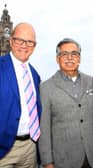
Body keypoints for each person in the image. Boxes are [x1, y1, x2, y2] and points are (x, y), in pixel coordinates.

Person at [38, 38, 93, 168]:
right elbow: (44, 129)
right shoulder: (46, 87)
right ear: (57, 59)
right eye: (64, 54)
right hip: (64, 161)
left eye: (74, 54)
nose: (70, 58)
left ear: (79, 58)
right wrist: (47, 162)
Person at [0, 22, 41, 168]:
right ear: (11, 41)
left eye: (30, 42)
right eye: (20, 40)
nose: (24, 45)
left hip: (30, 148)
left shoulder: (35, 75)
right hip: (4, 151)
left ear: (34, 46)